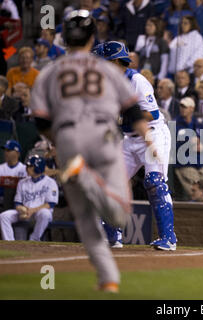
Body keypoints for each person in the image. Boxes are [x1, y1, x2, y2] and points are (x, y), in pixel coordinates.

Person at [30, 10, 147, 293]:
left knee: (84, 217)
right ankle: (89, 178)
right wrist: (148, 134)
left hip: (68, 136)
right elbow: (133, 108)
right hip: (103, 134)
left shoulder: (49, 71)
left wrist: (62, 142)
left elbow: (41, 121)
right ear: (92, 37)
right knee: (119, 214)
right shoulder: (106, 69)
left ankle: (108, 278)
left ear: (64, 38)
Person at [97, 41, 178, 252]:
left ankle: (168, 238)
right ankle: (113, 237)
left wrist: (122, 115)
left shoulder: (137, 80)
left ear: (115, 61)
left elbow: (153, 114)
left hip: (152, 133)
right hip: (127, 139)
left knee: (154, 182)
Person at [0, 155, 58, 241]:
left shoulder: (50, 182)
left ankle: (34, 239)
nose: (27, 168)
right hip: (25, 212)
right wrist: (21, 209)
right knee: (4, 216)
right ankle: (10, 242)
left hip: (39, 212)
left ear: (38, 167)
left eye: (30, 166)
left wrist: (32, 210)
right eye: (27, 166)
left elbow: (50, 204)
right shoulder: (22, 182)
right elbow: (17, 203)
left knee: (45, 214)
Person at [134, 17, 169, 81]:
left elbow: (165, 61)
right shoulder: (141, 39)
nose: (147, 27)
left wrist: (160, 76)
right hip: (141, 74)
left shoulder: (162, 42)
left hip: (155, 76)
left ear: (157, 27)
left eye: (150, 25)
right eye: (147, 25)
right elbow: (136, 57)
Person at [0, 140, 27, 210]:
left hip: (19, 204)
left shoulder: (25, 169)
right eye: (5, 150)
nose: (6, 153)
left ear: (17, 153)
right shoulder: (1, 168)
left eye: (9, 150)